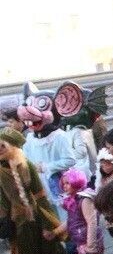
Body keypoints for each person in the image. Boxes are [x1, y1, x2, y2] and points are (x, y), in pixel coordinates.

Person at [0, 128, 79, 254]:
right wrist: (4, 222)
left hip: (37, 216)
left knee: (50, 250)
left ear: (13, 147)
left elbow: (41, 196)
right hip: (19, 223)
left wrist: (47, 225)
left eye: (2, 146)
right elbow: (2, 202)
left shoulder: (25, 164)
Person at [18, 82, 76, 221]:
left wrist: (47, 167)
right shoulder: (30, 138)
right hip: (39, 184)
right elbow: (26, 159)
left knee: (64, 216)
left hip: (58, 182)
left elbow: (70, 160)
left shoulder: (60, 136)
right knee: (48, 217)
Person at [57, 168, 104, 254]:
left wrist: (90, 247)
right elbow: (72, 220)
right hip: (81, 242)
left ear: (76, 181)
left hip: (88, 243)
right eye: (63, 184)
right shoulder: (73, 199)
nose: (64, 186)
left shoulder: (84, 200)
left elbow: (92, 222)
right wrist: (56, 232)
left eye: (67, 183)